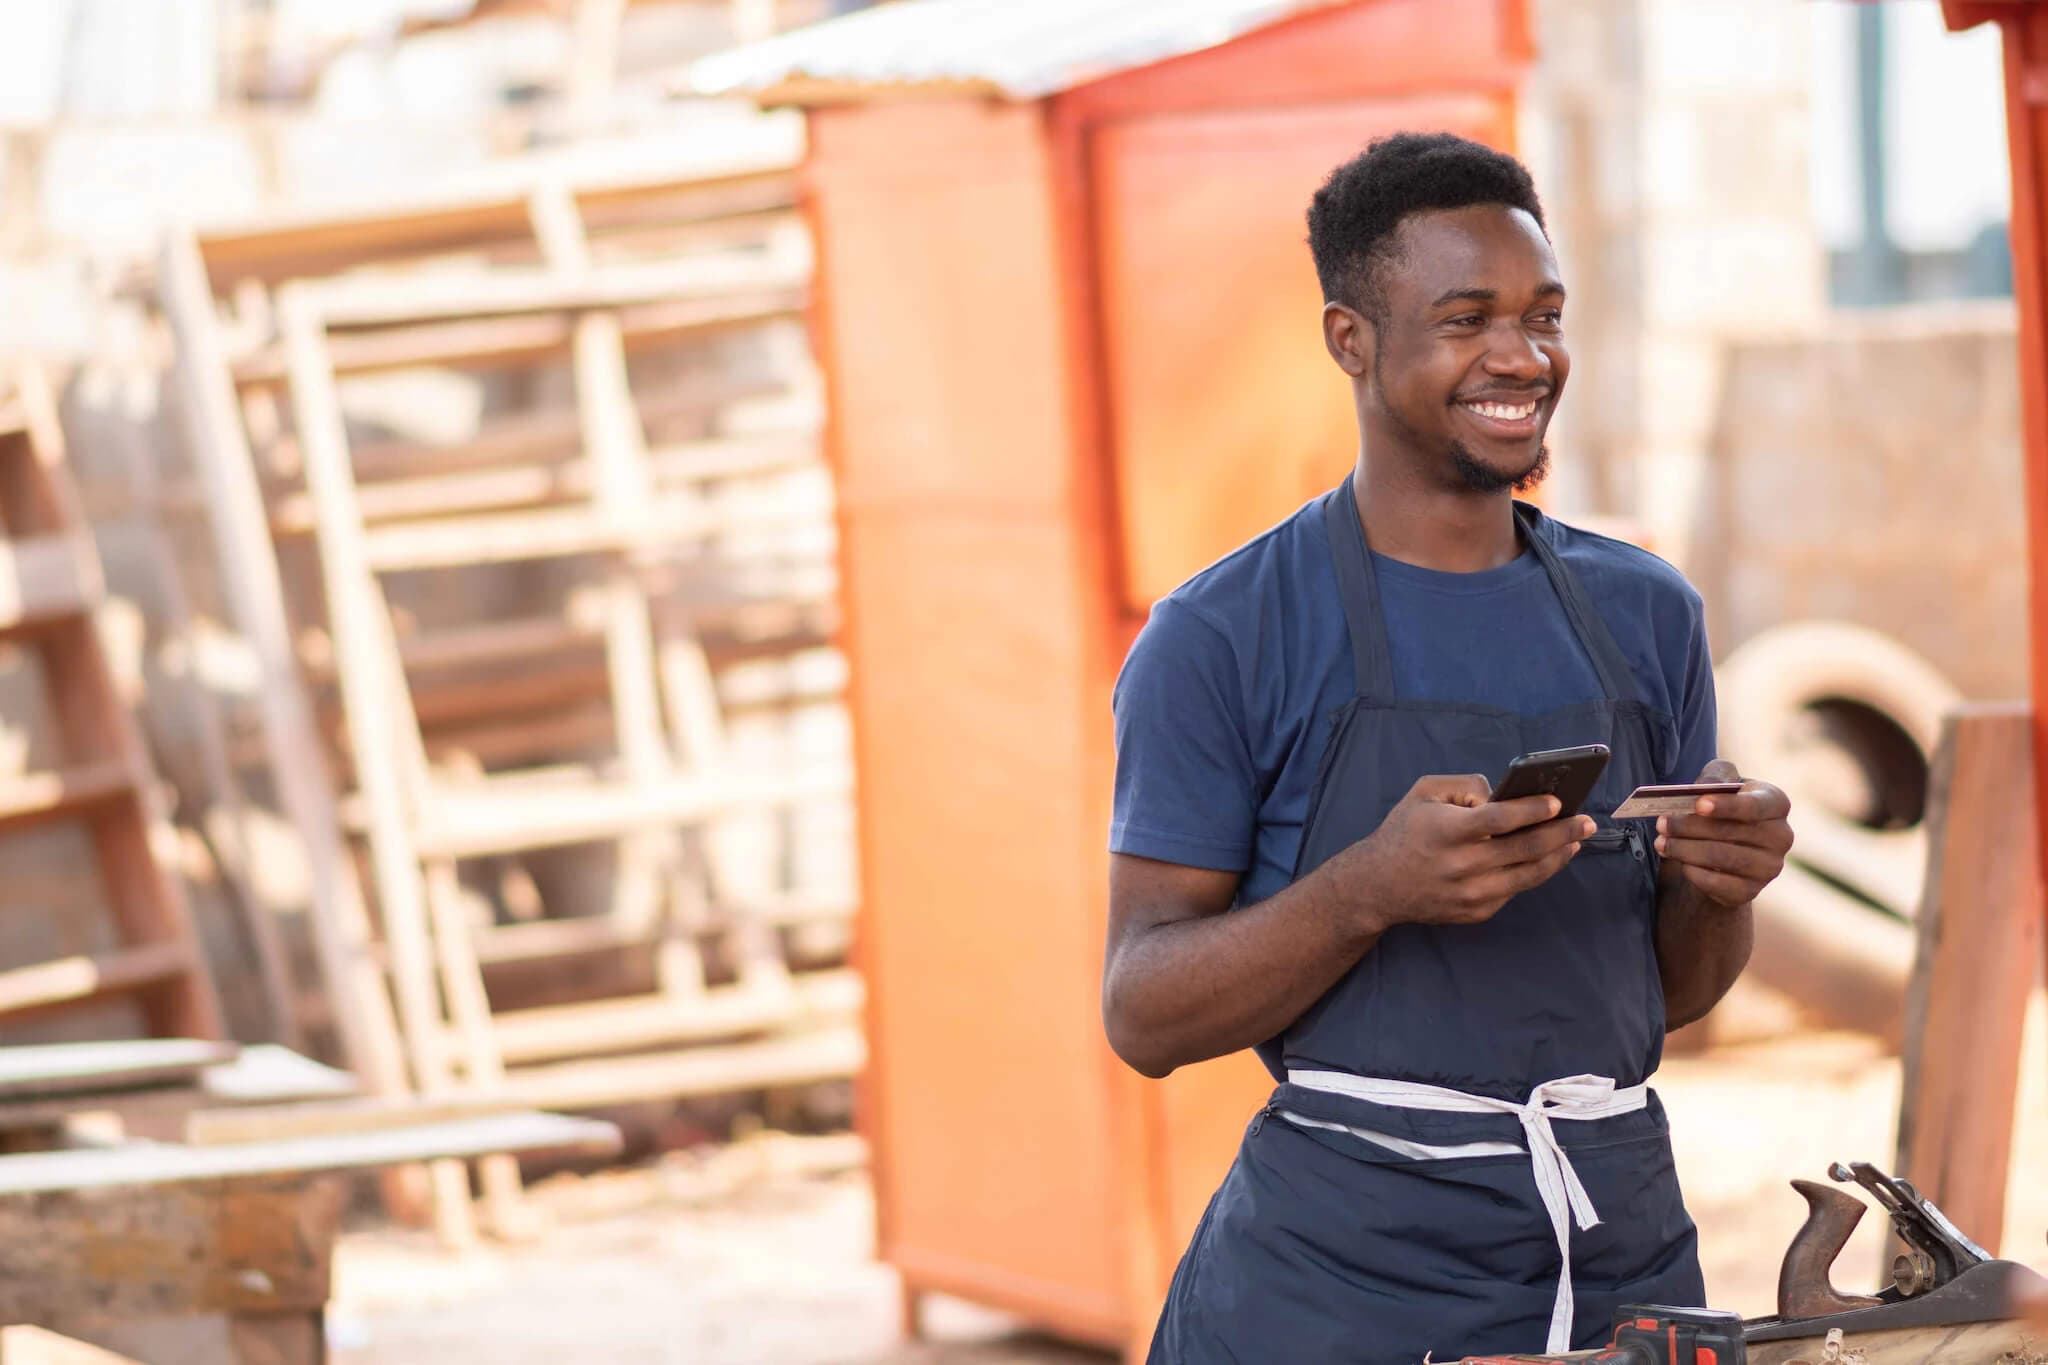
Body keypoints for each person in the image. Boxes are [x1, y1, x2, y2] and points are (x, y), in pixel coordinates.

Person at [1102, 132, 1795, 1363]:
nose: (1521, 357)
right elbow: (1142, 1013)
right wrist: (1363, 895)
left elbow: (1667, 994)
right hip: (1344, 1277)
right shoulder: (1223, 635)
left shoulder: (1644, 612)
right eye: (1466, 319)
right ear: (1349, 340)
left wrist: (1715, 888)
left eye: (1544, 314)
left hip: (1618, 1241)